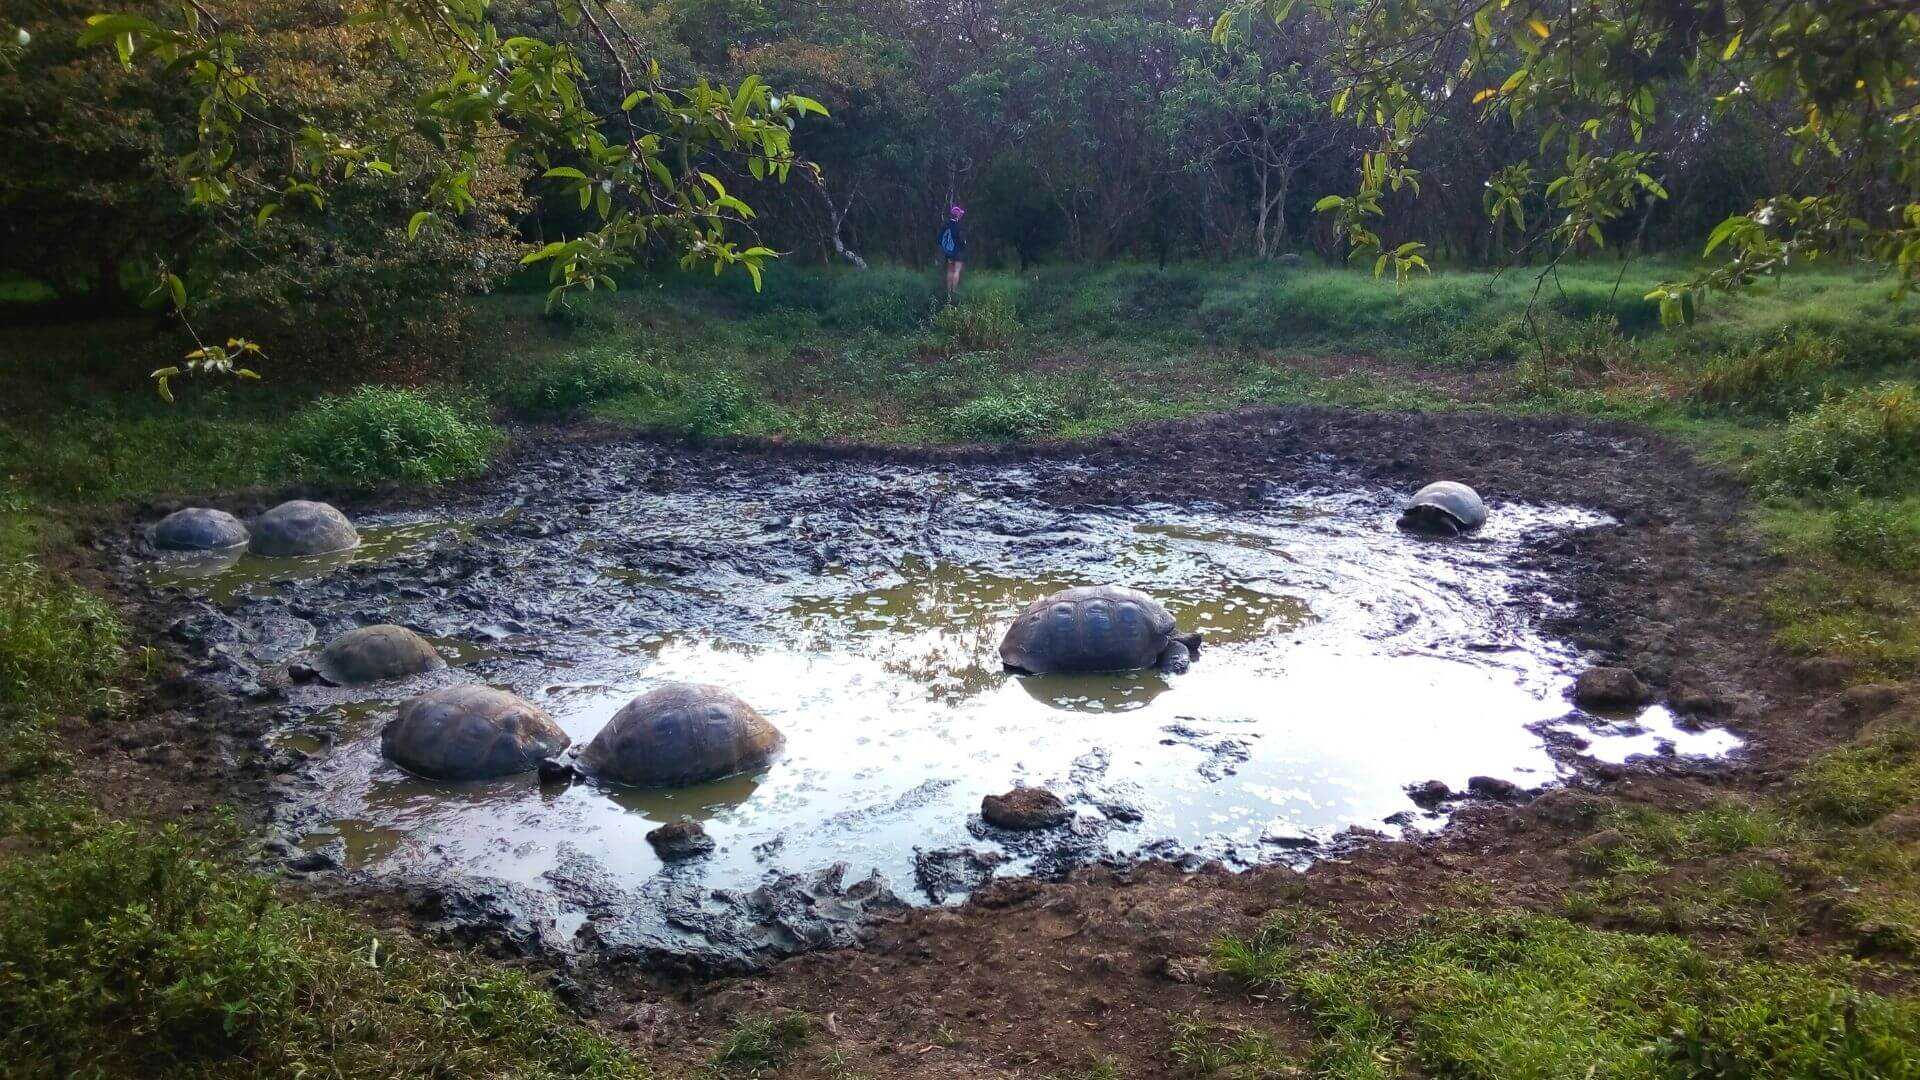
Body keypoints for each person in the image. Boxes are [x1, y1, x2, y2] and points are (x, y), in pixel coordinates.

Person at [938, 205, 966, 300]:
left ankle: (948, 290)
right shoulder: (958, 226)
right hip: (957, 252)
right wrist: (964, 245)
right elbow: (961, 240)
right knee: (956, 271)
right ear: (957, 215)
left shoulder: (945, 225)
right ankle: (954, 289)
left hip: (948, 252)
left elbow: (939, 239)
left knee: (950, 271)